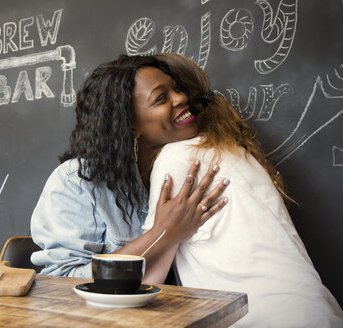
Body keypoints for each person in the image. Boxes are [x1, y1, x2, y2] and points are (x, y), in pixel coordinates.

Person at [140, 52, 343, 327]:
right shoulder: (232, 149)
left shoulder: (175, 158)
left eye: (173, 91)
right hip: (313, 308)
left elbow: (145, 278)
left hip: (261, 318)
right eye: (161, 96)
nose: (177, 99)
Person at [30, 55, 230, 282]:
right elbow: (62, 282)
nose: (181, 98)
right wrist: (162, 234)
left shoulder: (199, 165)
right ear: (130, 125)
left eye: (177, 88)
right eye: (161, 98)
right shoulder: (76, 182)